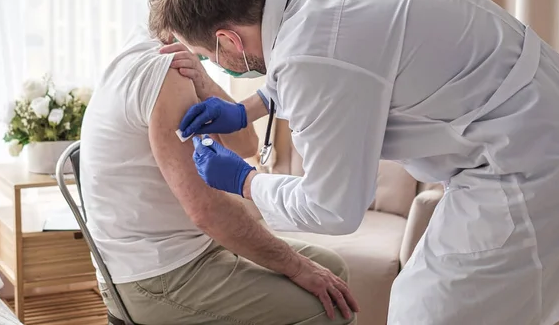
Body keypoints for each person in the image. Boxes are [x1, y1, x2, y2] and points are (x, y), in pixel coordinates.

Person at [148, 0, 559, 325]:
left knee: (428, 312)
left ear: (227, 40)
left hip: (523, 162)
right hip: (530, 122)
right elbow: (339, 62)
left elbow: (334, 209)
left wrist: (243, 180)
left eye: (206, 56)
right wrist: (246, 109)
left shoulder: (312, 58)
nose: (213, 66)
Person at [79, 18, 359, 325]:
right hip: (160, 275)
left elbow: (247, 143)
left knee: (333, 269)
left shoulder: (174, 62)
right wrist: (297, 267)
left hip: (191, 252)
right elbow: (207, 210)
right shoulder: (165, 69)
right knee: (329, 307)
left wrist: (205, 81)